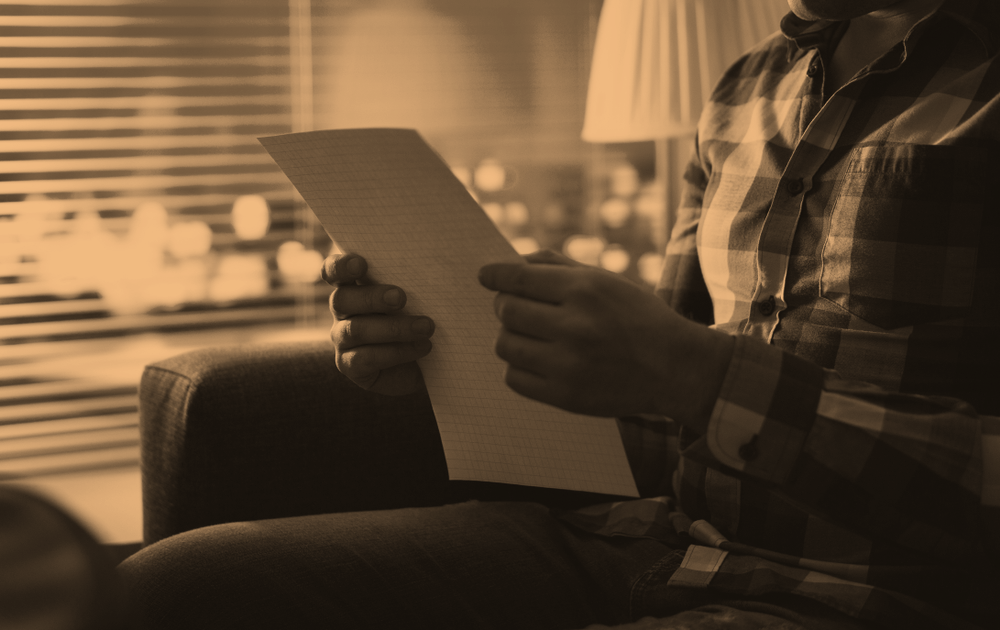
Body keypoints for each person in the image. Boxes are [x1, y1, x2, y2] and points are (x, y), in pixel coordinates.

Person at [119, 0, 999, 628]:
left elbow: (694, 376)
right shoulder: (746, 89)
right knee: (178, 588)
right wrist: (461, 357)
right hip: (659, 540)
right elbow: (663, 411)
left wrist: (700, 373)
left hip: (875, 587)